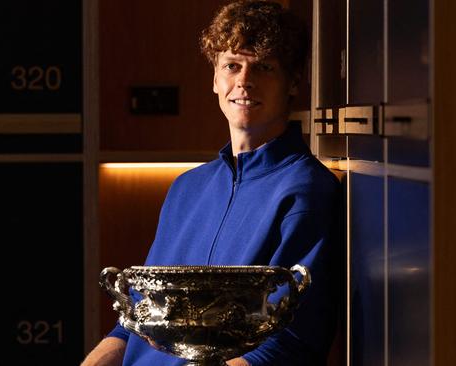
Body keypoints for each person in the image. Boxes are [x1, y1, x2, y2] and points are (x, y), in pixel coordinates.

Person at [82, 1, 341, 365]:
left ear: (293, 81)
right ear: (215, 79)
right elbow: (138, 318)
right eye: (232, 66)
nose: (244, 81)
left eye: (264, 67)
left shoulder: (307, 191)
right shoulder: (186, 188)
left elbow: (288, 347)